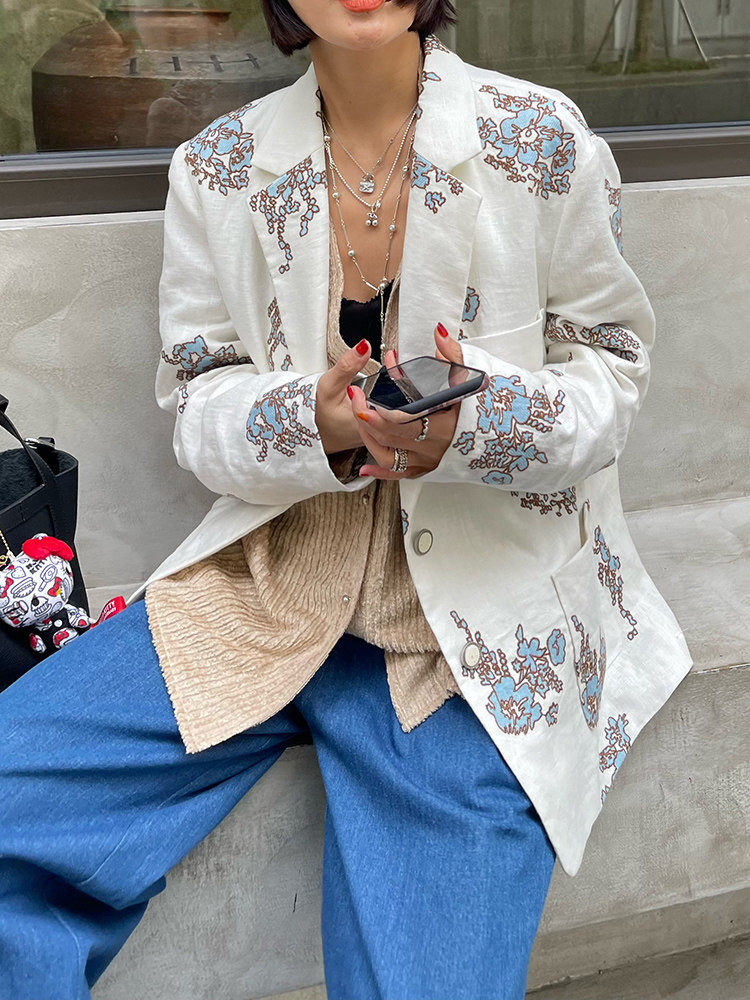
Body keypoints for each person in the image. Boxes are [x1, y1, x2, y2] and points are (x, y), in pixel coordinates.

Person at [0, 1, 692, 998]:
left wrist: (477, 425)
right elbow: (198, 401)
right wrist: (312, 423)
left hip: (474, 627)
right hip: (264, 586)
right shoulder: (217, 167)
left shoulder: (540, 138)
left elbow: (613, 373)